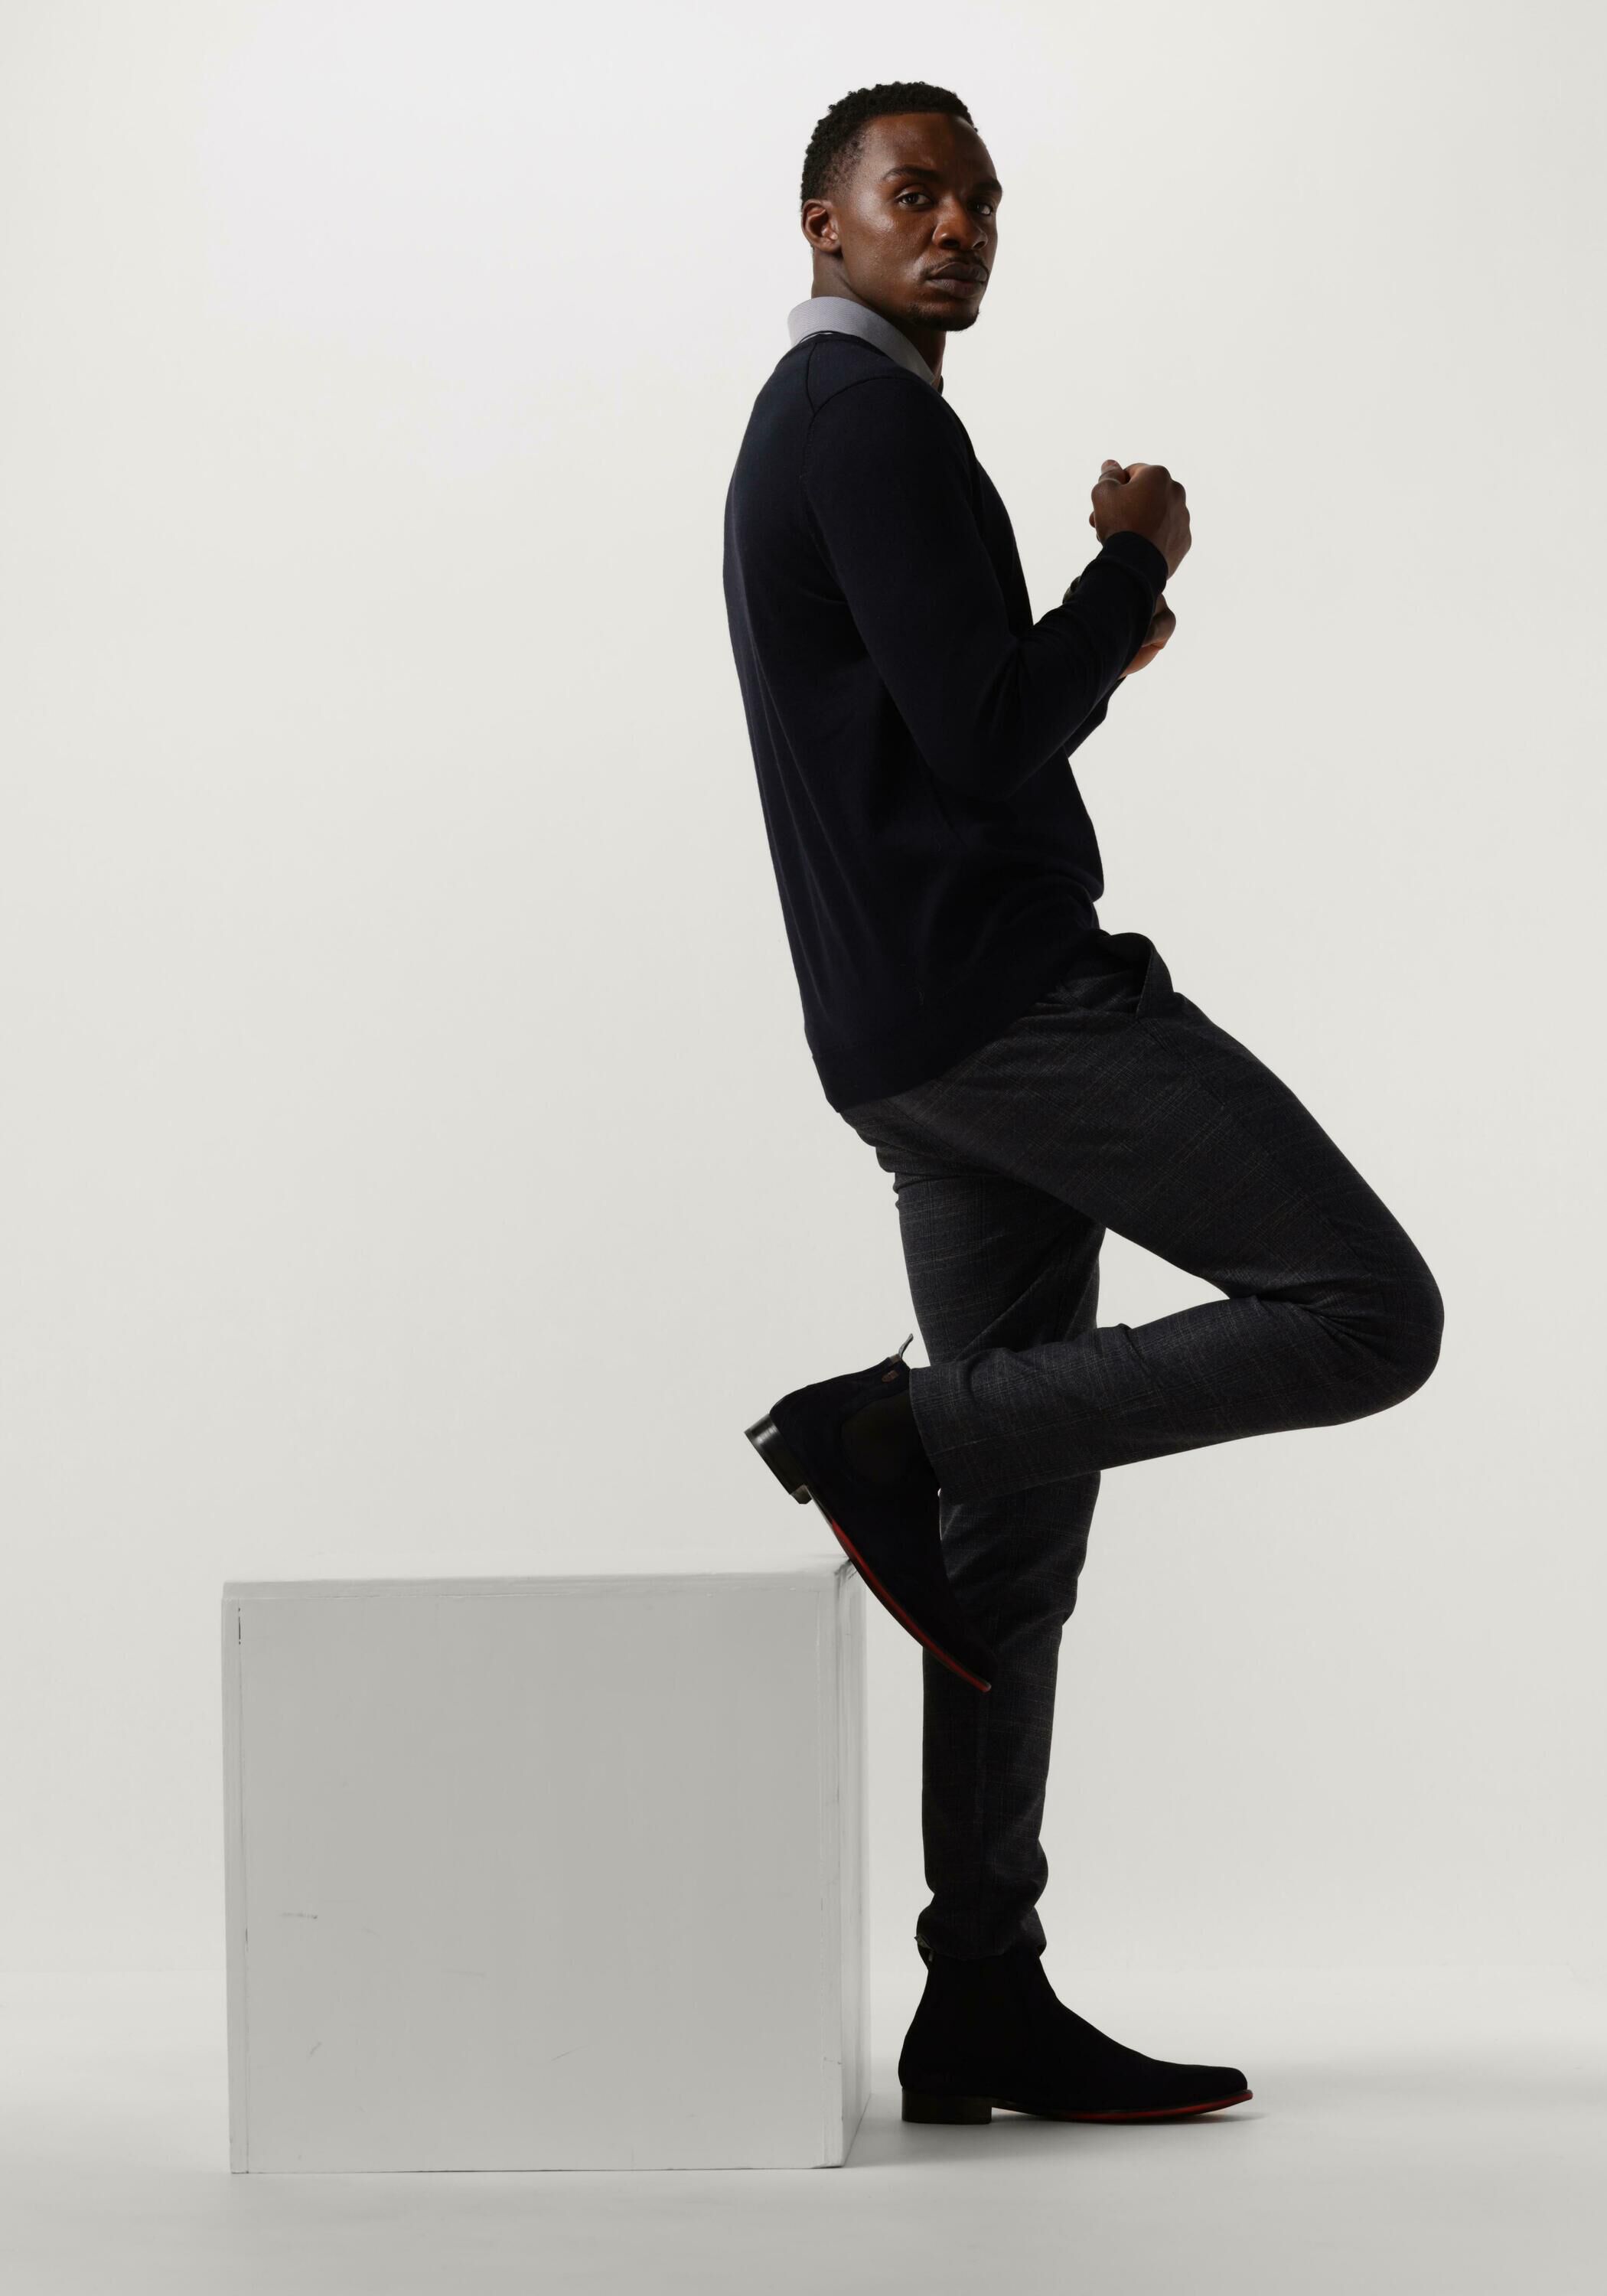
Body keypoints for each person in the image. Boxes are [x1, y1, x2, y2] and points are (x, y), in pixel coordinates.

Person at [722, 80, 1443, 2128]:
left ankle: (980, 1995)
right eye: (912, 194)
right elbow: (984, 735)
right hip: (1007, 1014)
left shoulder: (823, 426)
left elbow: (960, 719)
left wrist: (1082, 650)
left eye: (978, 198)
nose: (953, 224)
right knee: (1367, 1313)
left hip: (907, 1038)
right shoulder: (862, 421)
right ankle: (892, 1428)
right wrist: (1130, 566)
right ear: (824, 225)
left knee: (1006, 1548)